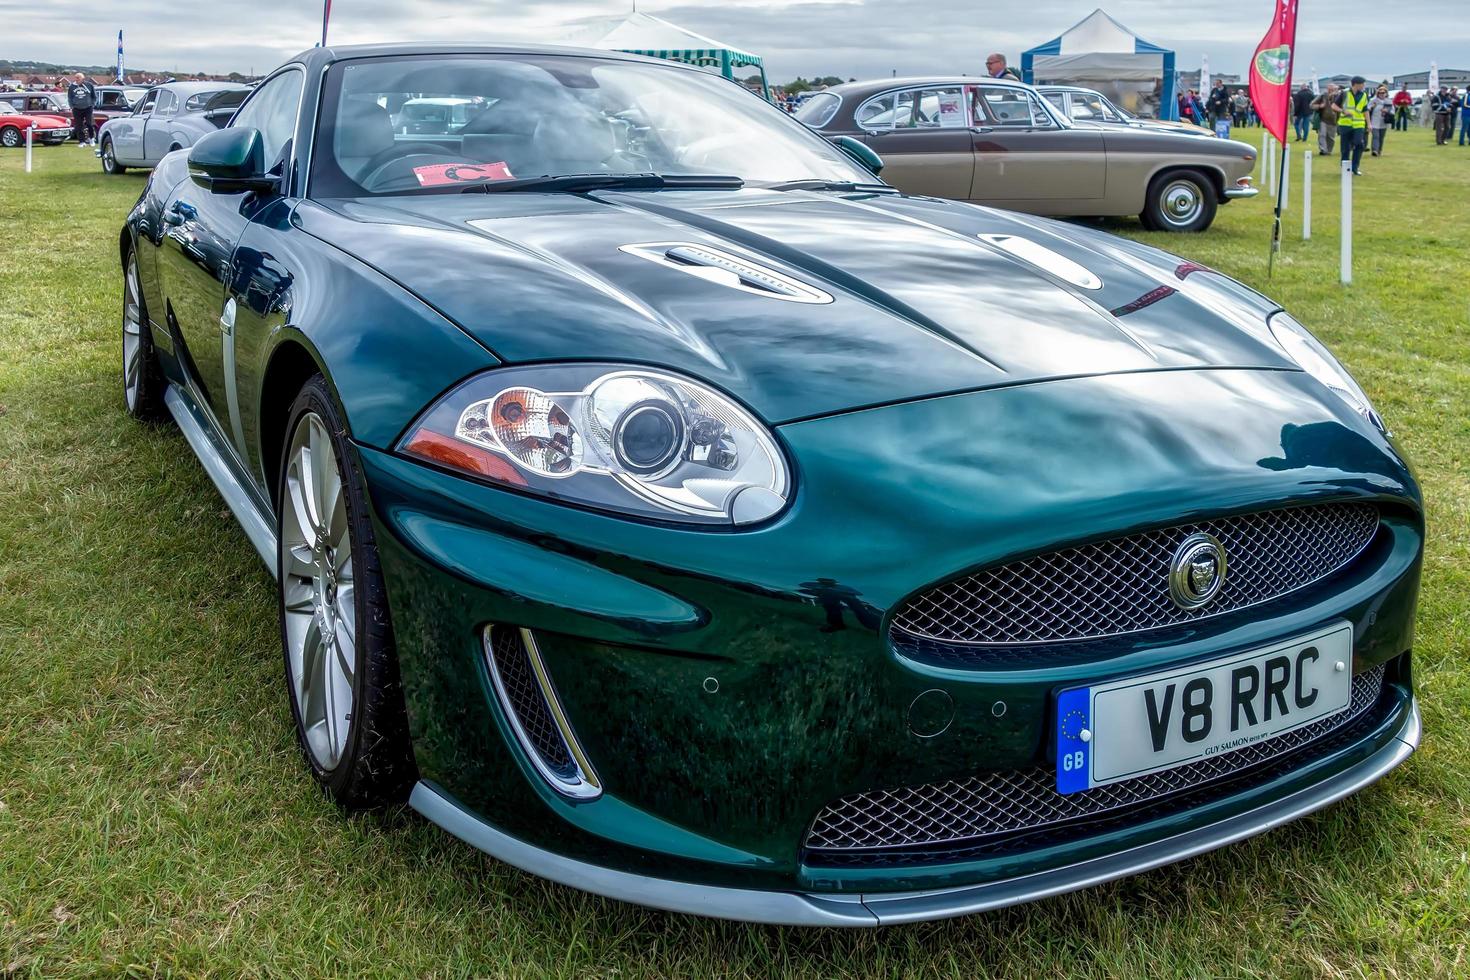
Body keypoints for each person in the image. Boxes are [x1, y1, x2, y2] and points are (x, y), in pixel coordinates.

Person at [1336, 76, 1368, 174]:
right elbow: (1334, 105)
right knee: (1345, 148)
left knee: (1359, 144)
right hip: (1345, 124)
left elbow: (1365, 110)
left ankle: (1355, 167)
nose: (1364, 86)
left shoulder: (1364, 95)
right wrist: (1343, 111)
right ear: (1356, 84)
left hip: (1359, 124)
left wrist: (1369, 124)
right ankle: (1345, 168)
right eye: (1362, 84)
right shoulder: (1344, 93)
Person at [65, 71, 97, 147]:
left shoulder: (89, 85)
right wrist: (72, 106)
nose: (77, 80)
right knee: (79, 125)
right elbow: (70, 97)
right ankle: (81, 141)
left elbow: (94, 96)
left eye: (79, 78)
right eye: (76, 78)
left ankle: (91, 138)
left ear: (83, 79)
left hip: (88, 107)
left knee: (89, 123)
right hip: (76, 108)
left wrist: (92, 104)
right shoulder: (72, 87)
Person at [1312, 84, 1342, 154]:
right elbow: (1311, 105)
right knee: (1322, 135)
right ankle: (1323, 150)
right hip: (1323, 119)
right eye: (1329, 89)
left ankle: (1328, 151)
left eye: (1333, 90)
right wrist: (1319, 106)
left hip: (1334, 120)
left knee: (1331, 137)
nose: (1331, 91)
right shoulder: (1322, 96)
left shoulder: (1339, 97)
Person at [1368, 84, 1394, 156]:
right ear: (1377, 93)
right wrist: (1372, 107)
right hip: (1374, 121)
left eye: (1383, 93)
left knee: (1381, 137)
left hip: (1384, 122)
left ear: (1386, 93)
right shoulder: (1373, 100)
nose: (1382, 94)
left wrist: (1387, 111)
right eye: (1380, 93)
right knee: (1376, 136)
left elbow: (1393, 111)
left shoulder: (1389, 101)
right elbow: (1367, 109)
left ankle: (1379, 150)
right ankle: (1374, 150)